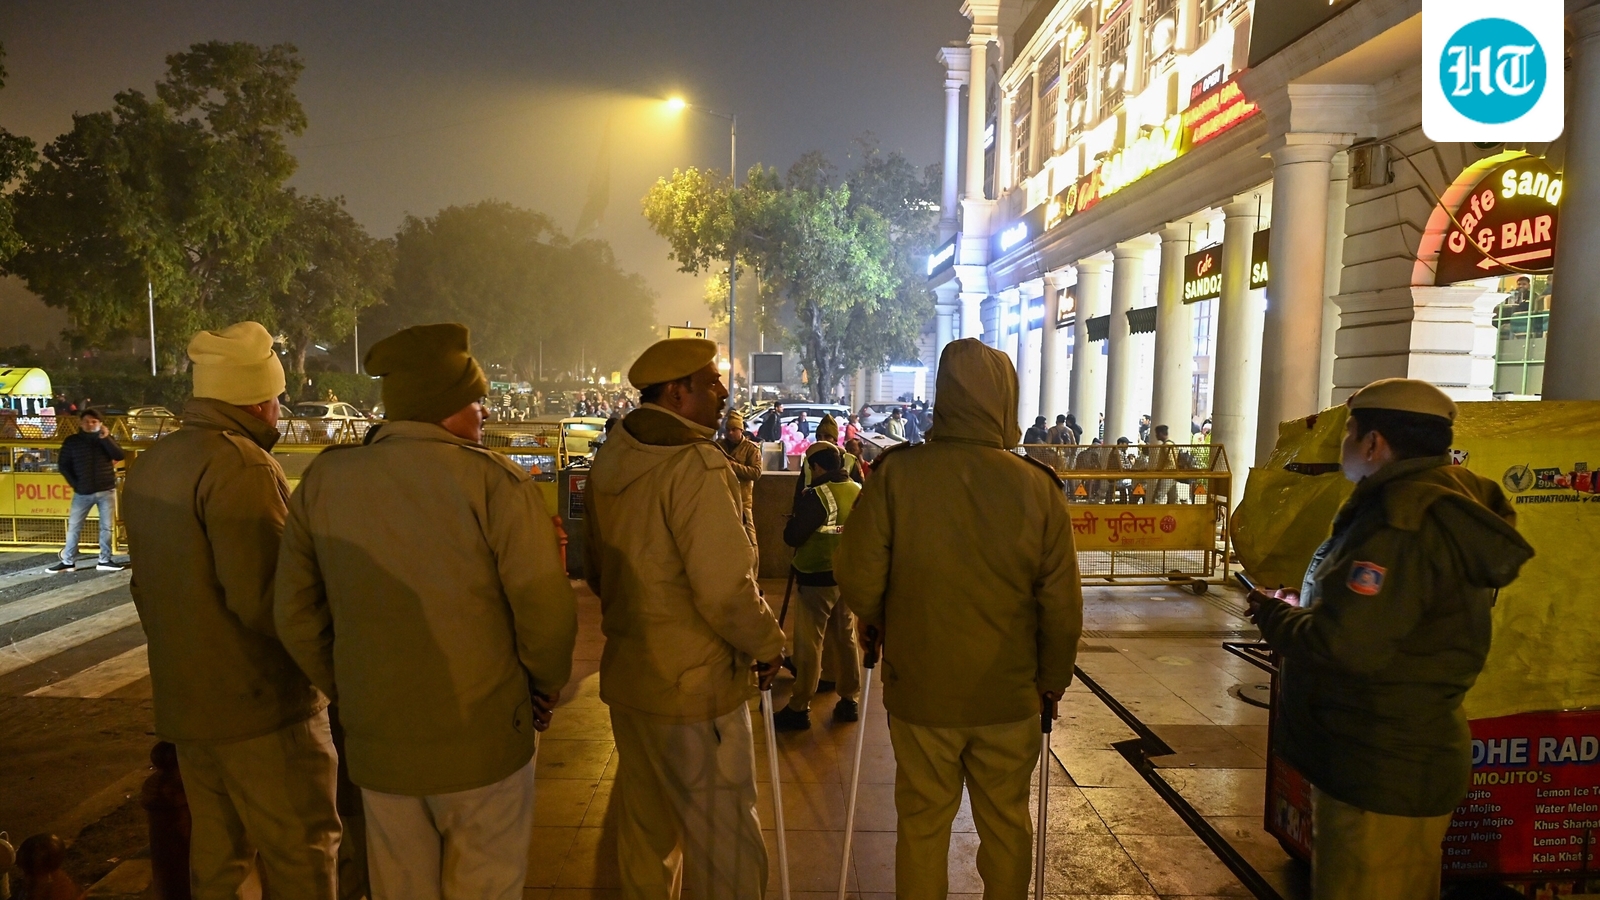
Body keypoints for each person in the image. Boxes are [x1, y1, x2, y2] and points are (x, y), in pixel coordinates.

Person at [275, 323, 577, 900]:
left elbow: (294, 614)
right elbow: (545, 609)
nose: (484, 413)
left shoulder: (325, 481)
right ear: (443, 405)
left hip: (380, 744)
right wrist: (543, 686)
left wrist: (351, 688)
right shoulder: (495, 483)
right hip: (485, 739)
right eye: (475, 399)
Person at [1247, 378, 1534, 900]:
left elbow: (1349, 646)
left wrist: (1274, 617)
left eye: (1349, 434)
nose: (1345, 447)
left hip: (1377, 764)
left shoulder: (1399, 521)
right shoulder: (1448, 500)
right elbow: (1380, 621)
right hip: (1406, 756)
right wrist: (1306, 606)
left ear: (1373, 443)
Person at [836, 338, 1083, 900]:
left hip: (921, 690)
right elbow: (1062, 608)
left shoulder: (897, 476)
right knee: (1005, 823)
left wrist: (877, 620)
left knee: (922, 824)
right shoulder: (1039, 489)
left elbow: (858, 573)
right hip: (1009, 693)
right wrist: (1053, 677)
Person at [122, 321, 342, 900]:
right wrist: (337, 675)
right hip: (262, 709)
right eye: (276, 398)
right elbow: (269, 600)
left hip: (190, 706)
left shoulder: (155, 461)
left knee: (219, 866)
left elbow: (145, 589)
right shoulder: (241, 467)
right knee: (304, 854)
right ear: (258, 399)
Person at [583, 337, 785, 900]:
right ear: (677, 392)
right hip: (695, 690)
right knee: (726, 846)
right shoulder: (694, 465)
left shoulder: (612, 459)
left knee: (646, 841)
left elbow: (597, 569)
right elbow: (724, 590)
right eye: (711, 381)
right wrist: (769, 644)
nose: (724, 393)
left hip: (632, 679)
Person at [775, 445, 863, 731]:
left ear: (817, 467)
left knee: (809, 643)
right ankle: (849, 699)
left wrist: (793, 523)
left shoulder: (816, 496)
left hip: (816, 577)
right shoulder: (858, 489)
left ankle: (800, 706)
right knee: (845, 636)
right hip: (846, 577)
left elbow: (794, 537)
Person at [50, 409, 126, 573]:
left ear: (100, 423)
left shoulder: (105, 440)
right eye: (87, 421)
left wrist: (106, 438)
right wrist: (76, 484)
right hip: (83, 492)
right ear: (80, 422)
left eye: (94, 421)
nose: (90, 424)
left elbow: (119, 454)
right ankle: (68, 560)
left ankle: (104, 560)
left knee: (107, 527)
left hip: (106, 490)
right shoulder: (72, 441)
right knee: (74, 527)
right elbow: (64, 465)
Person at [720, 410, 763, 547]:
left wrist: (733, 466)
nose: (730, 433)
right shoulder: (719, 446)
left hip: (743, 501)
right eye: (728, 429)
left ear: (741, 430)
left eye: (734, 429)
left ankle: (754, 568)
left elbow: (756, 473)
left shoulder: (751, 449)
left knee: (750, 540)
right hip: (722, 500)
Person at [1150, 424, 1180, 505]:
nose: (1156, 436)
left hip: (1167, 474)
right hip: (1172, 475)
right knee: (1173, 499)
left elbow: (1171, 459)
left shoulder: (1167, 445)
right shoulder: (1171, 443)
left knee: (1157, 498)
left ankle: (1155, 515)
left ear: (1160, 433)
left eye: (1156, 434)